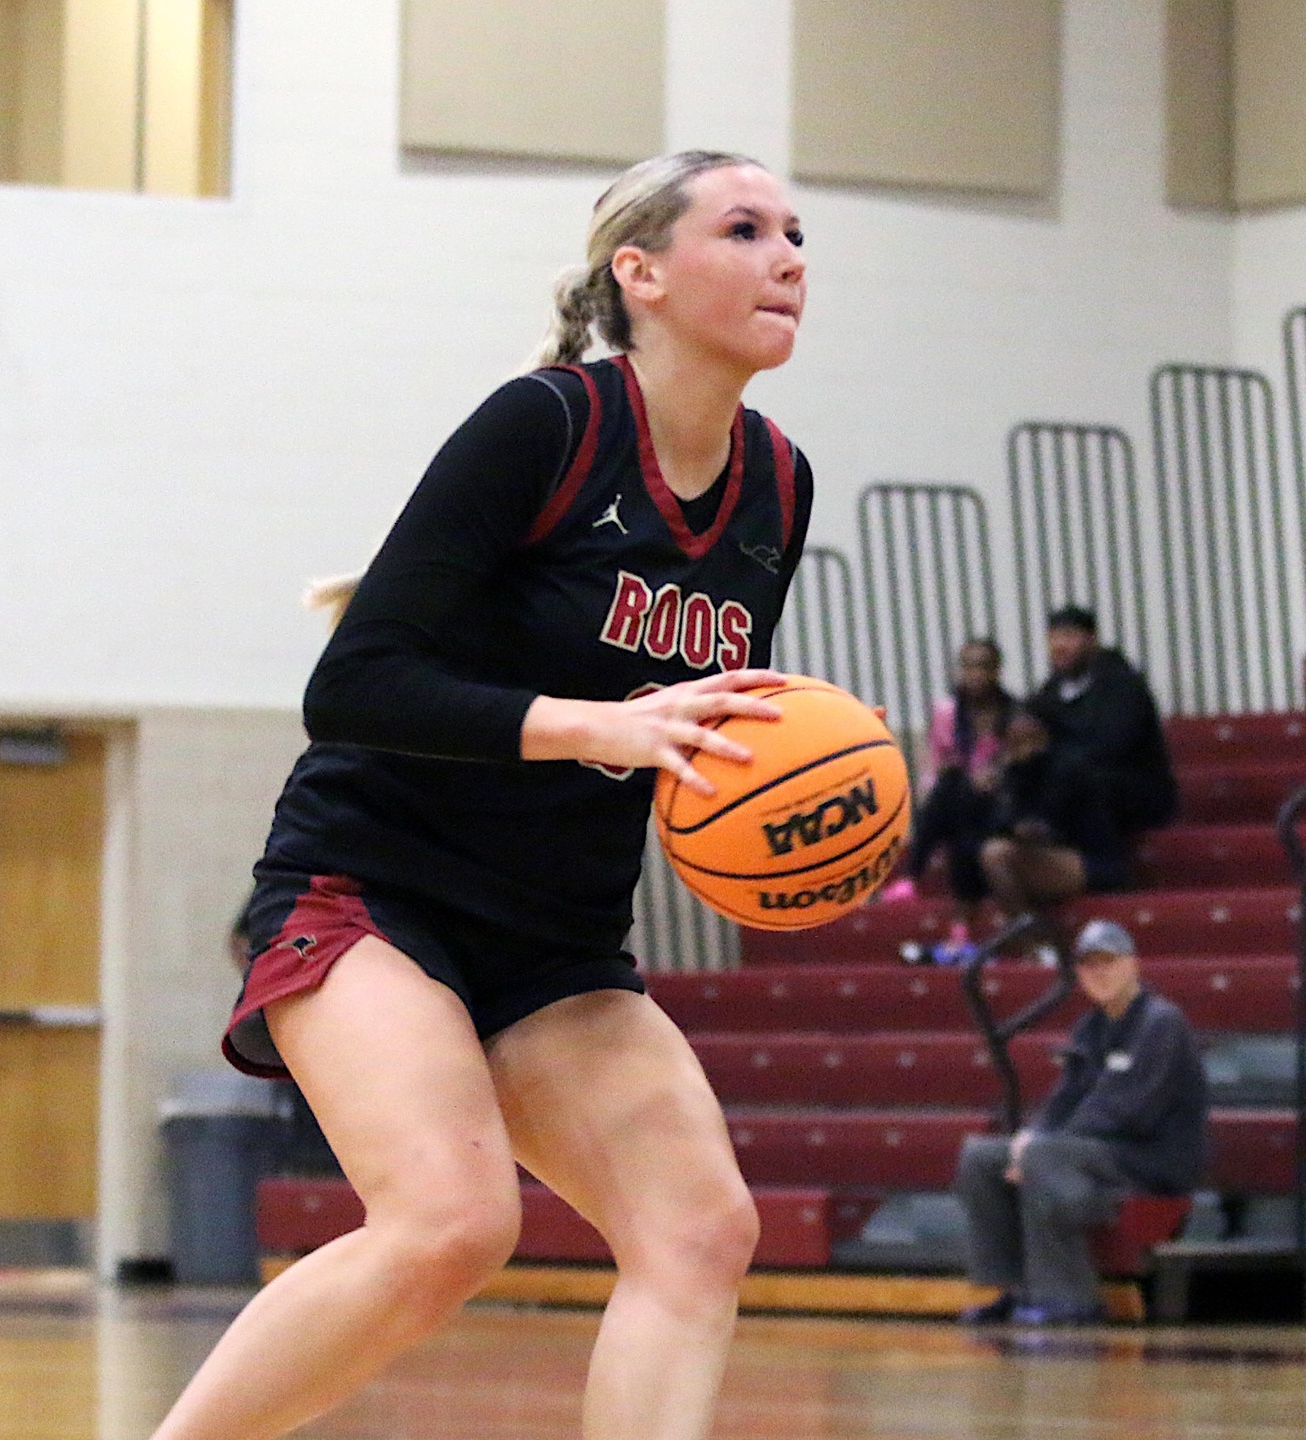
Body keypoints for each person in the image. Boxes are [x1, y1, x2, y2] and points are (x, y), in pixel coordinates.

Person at [158, 151, 813, 1440]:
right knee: (450, 1225)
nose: (789, 257)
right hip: (375, 888)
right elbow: (355, 684)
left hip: (555, 937)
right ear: (643, 274)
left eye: (797, 234)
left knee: (700, 1229)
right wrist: (596, 727)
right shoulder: (550, 424)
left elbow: (682, 724)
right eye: (745, 230)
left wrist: (793, 760)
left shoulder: (776, 485)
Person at [951, 920, 1207, 1327]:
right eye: (1088, 965)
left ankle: (1069, 1299)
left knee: (1045, 1158)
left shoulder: (1161, 1023)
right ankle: (1015, 1289)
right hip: (1093, 1154)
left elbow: (1125, 1110)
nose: (1098, 973)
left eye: (1108, 962)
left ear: (1133, 965)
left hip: (1150, 1162)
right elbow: (1064, 1100)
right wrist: (1029, 1138)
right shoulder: (1090, 1027)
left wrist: (1042, 1148)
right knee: (981, 1158)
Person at [878, 638, 1018, 946]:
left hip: (1000, 805)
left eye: (982, 666)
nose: (974, 674)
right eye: (968, 665)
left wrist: (992, 778)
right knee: (953, 794)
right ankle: (957, 922)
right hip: (957, 802)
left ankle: (913, 875)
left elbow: (1020, 770)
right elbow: (936, 767)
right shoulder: (948, 713)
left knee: (956, 799)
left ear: (996, 671)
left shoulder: (1015, 714)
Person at [973, 705, 1133, 927]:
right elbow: (1000, 824)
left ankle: (1032, 939)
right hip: (1045, 853)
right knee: (989, 853)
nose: (1024, 747)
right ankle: (1023, 931)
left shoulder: (1068, 766)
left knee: (996, 855)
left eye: (1030, 737)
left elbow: (1054, 819)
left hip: (1091, 858)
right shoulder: (1014, 772)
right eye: (1015, 741)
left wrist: (1023, 773)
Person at [1030, 606, 1177, 841]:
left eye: (1068, 636)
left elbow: (1112, 747)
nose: (1059, 646)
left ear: (1092, 641)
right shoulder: (1049, 693)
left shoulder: (1123, 687)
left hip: (1129, 791)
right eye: (1054, 638)